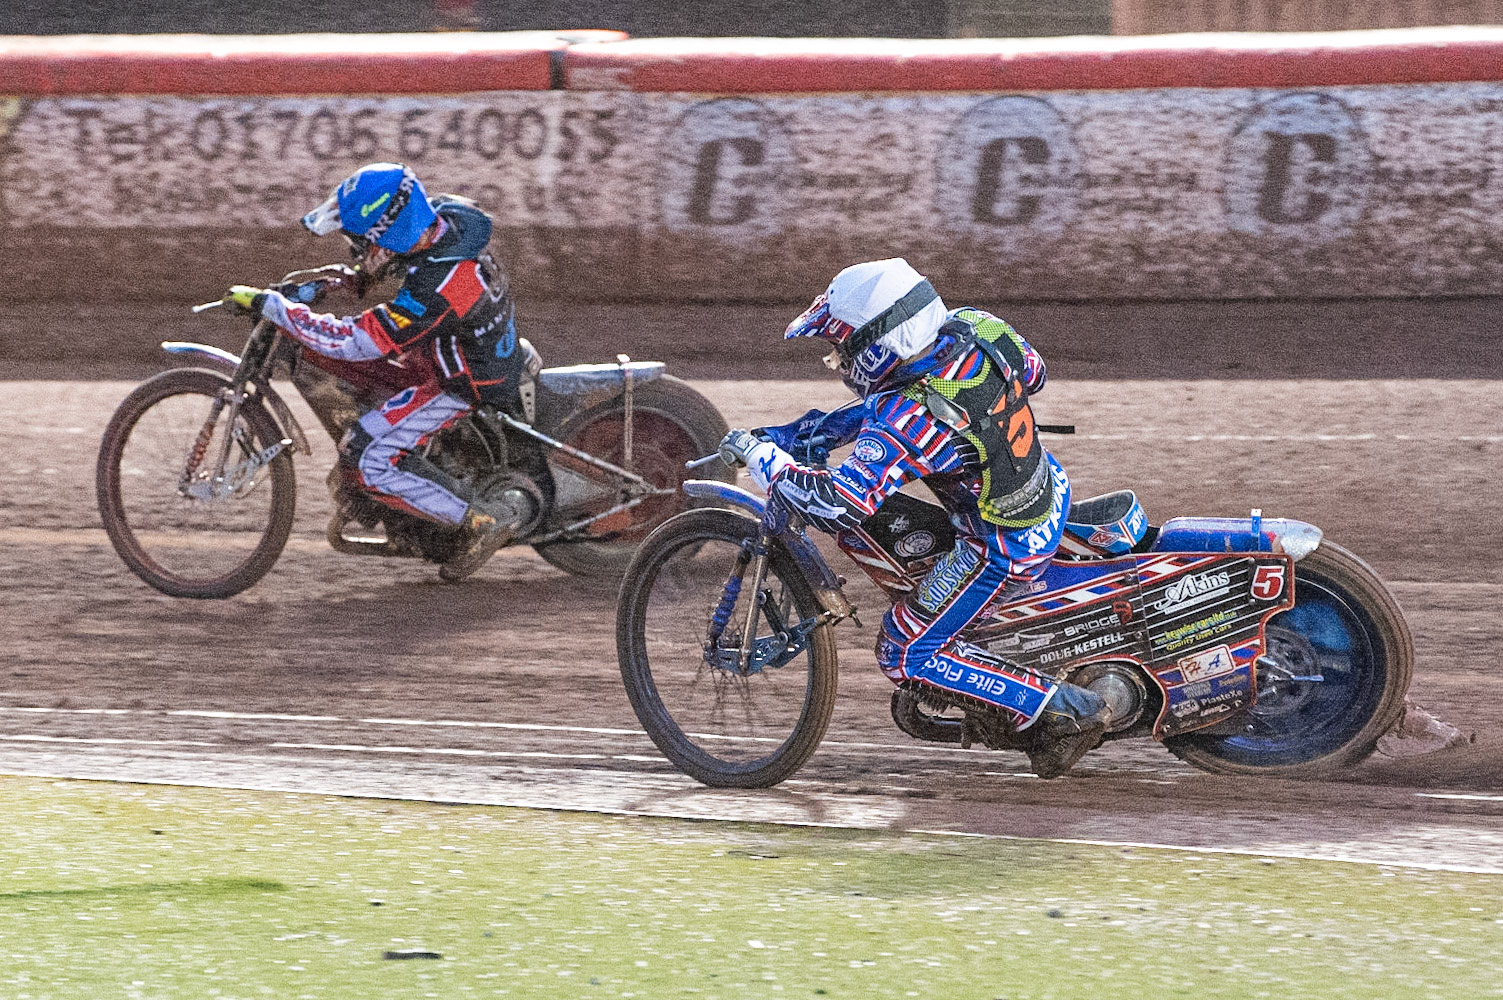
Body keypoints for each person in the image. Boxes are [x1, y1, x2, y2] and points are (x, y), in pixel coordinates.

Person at [717, 258, 1111, 778]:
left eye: (842, 350)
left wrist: (768, 460)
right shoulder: (980, 327)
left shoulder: (908, 421)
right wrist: (809, 432)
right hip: (1045, 487)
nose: (837, 361)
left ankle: (1064, 708)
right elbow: (1032, 373)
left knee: (903, 650)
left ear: (880, 345)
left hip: (999, 543)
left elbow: (842, 504)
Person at [222, 162, 535, 580]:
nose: (354, 251)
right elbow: (400, 267)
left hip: (462, 382)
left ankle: (479, 519)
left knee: (365, 453)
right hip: (459, 352)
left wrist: (279, 309)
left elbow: (359, 339)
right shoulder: (446, 220)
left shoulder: (440, 287)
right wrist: (343, 281)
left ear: (388, 234)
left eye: (359, 242)